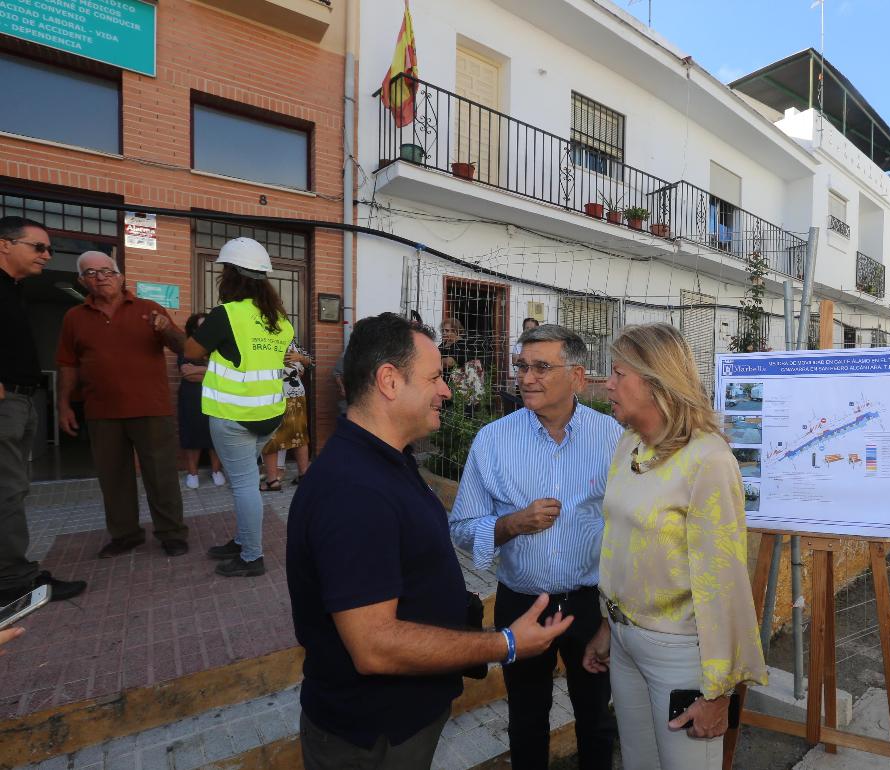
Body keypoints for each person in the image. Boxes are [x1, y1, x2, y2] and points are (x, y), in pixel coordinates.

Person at [286, 312, 574, 770]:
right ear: (389, 381)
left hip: (398, 722)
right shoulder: (353, 490)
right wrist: (505, 644)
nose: (447, 390)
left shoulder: (388, 461)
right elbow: (374, 645)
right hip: (373, 736)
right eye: (435, 377)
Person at [582, 323, 766, 770]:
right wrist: (608, 624)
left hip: (678, 652)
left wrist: (718, 693)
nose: (607, 384)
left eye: (619, 373)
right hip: (624, 640)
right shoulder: (629, 444)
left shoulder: (708, 460)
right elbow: (621, 544)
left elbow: (723, 583)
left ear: (655, 382)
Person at [450, 324, 623, 770]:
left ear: (577, 376)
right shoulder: (493, 440)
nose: (526, 378)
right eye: (522, 366)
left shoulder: (611, 437)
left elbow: (629, 525)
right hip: (521, 603)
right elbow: (462, 528)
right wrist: (510, 524)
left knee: (597, 718)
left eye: (541, 367)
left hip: (589, 605)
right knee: (526, 721)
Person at [56, 250, 190, 559]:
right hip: (101, 411)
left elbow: (183, 346)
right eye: (91, 273)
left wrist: (166, 329)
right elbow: (67, 364)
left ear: (121, 277)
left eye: (107, 271)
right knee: (113, 478)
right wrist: (63, 404)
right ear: (81, 281)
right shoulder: (74, 317)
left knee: (161, 476)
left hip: (151, 408)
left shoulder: (149, 308)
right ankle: (125, 535)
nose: (100, 277)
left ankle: (171, 533)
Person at [183, 237, 293, 578]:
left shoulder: (227, 314)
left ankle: (251, 557)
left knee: (244, 485)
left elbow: (190, 351)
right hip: (269, 415)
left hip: (234, 416)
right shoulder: (281, 320)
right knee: (244, 479)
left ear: (231, 275)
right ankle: (243, 539)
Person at [0, 217, 86, 604]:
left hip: (21, 399)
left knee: (13, 490)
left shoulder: (13, 290)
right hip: (6, 403)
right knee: (6, 492)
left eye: (48, 248)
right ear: (4, 244)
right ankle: (13, 582)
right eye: (38, 247)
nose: (47, 255)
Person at [177, 313, 225, 490]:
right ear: (193, 330)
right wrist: (214, 371)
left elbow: (225, 373)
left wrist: (199, 369)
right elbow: (187, 373)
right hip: (192, 397)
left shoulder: (220, 347)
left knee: (216, 433)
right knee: (192, 434)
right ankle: (192, 474)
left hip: (216, 396)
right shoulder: (187, 347)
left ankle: (216, 471)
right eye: (201, 327)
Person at [260, 341, 315, 490]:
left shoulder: (292, 342)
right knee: (272, 435)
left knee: (297, 436)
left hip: (291, 393)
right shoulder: (263, 339)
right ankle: (274, 479)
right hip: (272, 394)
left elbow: (312, 363)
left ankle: (298, 476)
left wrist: (301, 358)